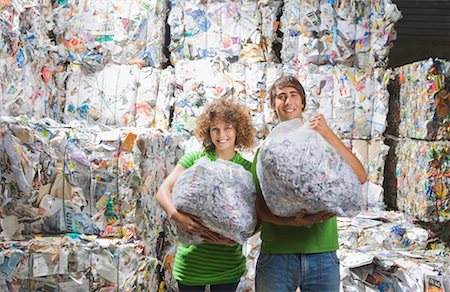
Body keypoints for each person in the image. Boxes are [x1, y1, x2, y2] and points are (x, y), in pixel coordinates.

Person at [251, 75, 367, 292]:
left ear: (303, 102)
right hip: (278, 254)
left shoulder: (320, 142)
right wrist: (292, 222)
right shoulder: (266, 153)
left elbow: (359, 176)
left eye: (293, 95)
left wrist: (327, 133)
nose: (288, 102)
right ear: (273, 105)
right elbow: (261, 210)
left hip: (321, 252)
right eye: (281, 97)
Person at [156, 98, 256, 292]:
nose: (221, 135)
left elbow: (255, 216)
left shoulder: (246, 169)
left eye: (227, 128)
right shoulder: (195, 160)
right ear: (208, 132)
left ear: (238, 131)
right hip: (192, 264)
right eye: (215, 129)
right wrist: (177, 216)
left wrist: (241, 236)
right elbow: (163, 191)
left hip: (228, 265)